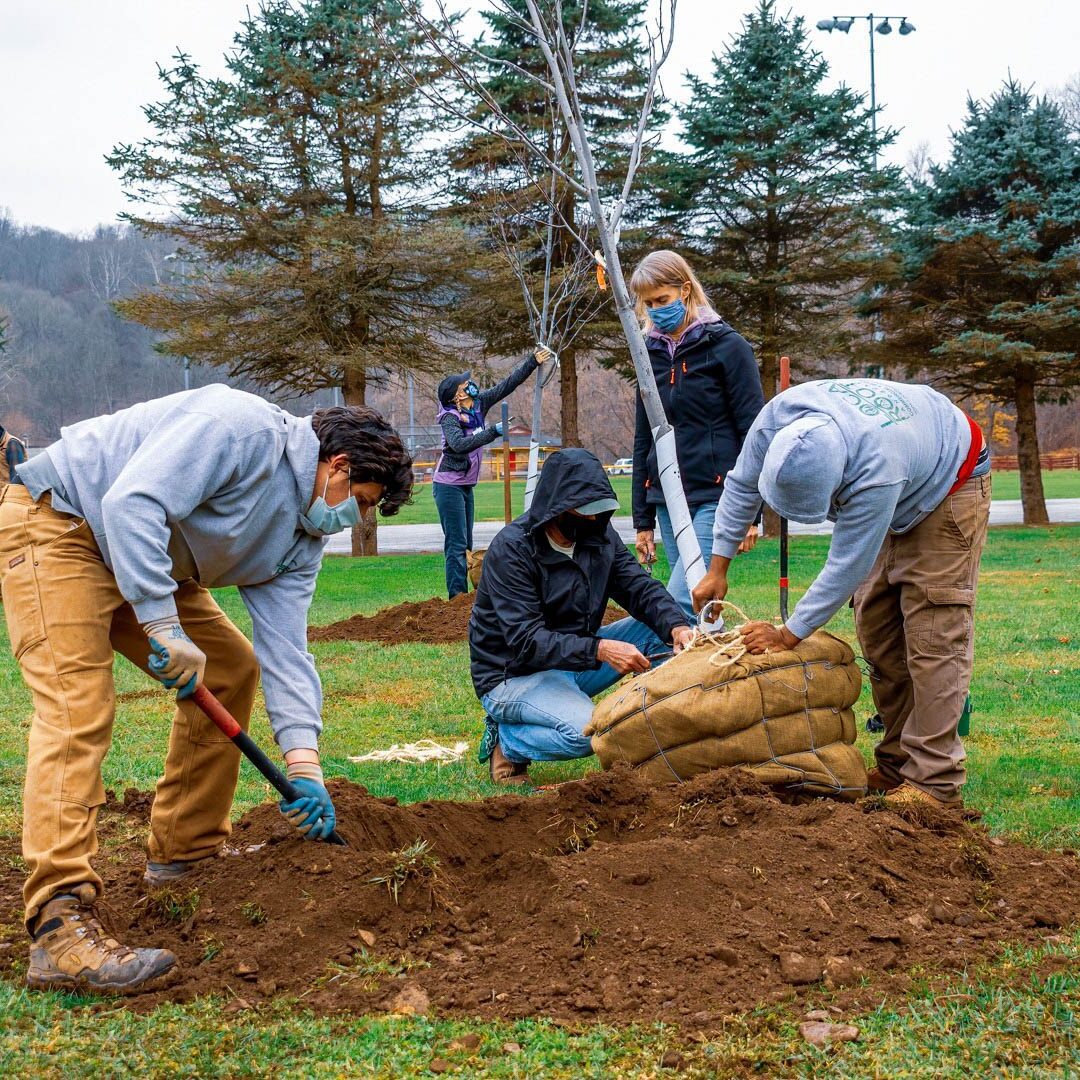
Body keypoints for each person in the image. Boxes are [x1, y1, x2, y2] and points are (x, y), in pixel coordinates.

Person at [0, 385, 412, 993]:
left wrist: (305, 765)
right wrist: (163, 624)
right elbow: (132, 501)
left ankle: (184, 857)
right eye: (361, 499)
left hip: (145, 557)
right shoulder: (238, 427)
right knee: (76, 706)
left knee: (230, 668)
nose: (354, 515)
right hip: (63, 522)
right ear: (339, 465)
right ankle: (59, 927)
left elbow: (287, 652)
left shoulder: (304, 537)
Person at [691, 378, 991, 809]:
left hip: (951, 480)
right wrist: (718, 567)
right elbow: (739, 485)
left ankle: (935, 783)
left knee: (931, 636)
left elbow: (845, 565)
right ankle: (896, 765)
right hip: (906, 463)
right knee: (878, 630)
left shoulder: (876, 470)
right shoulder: (776, 419)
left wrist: (788, 634)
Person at [470, 448, 693, 785]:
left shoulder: (601, 539)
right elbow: (526, 641)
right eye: (584, 512)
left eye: (598, 511)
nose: (592, 520)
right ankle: (509, 742)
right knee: (589, 734)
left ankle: (654, 730)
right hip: (512, 674)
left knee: (656, 631)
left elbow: (640, 588)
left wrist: (677, 626)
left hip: (573, 661)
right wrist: (601, 650)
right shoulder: (512, 550)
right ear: (555, 507)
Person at [629, 250, 764, 618]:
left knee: (682, 603)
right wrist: (642, 519)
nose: (656, 309)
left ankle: (658, 672)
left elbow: (754, 430)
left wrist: (753, 511)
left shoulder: (727, 347)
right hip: (669, 498)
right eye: (649, 303)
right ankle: (709, 672)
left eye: (663, 300)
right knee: (700, 607)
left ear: (685, 290)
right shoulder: (648, 354)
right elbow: (645, 437)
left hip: (718, 493)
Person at [433, 347, 552, 598]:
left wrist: (532, 361)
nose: (471, 385)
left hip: (466, 485)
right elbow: (459, 445)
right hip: (448, 485)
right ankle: (457, 598)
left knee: (466, 544)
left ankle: (466, 598)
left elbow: (507, 385)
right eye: (465, 384)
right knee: (456, 544)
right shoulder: (450, 418)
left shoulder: (478, 405)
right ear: (456, 395)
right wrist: (494, 432)